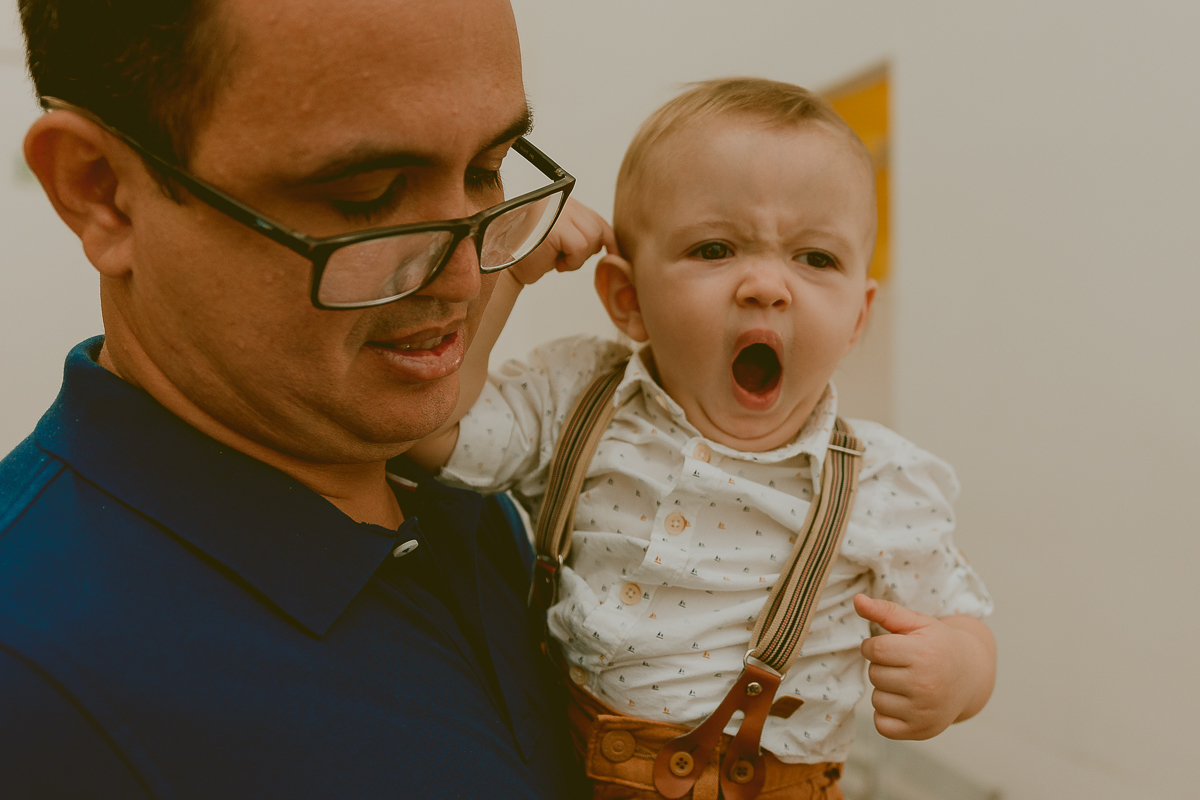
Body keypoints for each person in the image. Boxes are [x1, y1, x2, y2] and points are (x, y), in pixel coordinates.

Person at [0, 0, 612, 797]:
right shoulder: (29, 683)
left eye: (485, 170)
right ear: (104, 190)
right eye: (367, 195)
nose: (467, 280)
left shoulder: (455, 490)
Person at [407, 78, 997, 798]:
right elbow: (433, 435)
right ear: (628, 299)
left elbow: (964, 622)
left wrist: (957, 673)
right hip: (566, 764)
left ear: (857, 317)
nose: (767, 286)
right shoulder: (577, 398)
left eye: (816, 259)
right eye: (715, 248)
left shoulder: (883, 483)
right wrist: (510, 273)